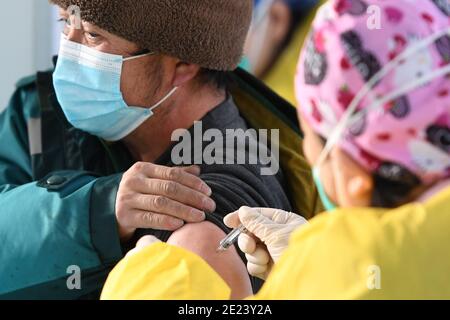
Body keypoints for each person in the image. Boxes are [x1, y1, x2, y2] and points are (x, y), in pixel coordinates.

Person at [100, 0, 450, 300]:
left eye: (311, 137)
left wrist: (146, 278)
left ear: (356, 180)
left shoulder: (344, 272)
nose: (307, 155)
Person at [0, 0, 295, 299]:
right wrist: (95, 213)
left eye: (92, 36)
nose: (67, 55)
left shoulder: (222, 195)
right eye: (65, 22)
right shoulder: (39, 116)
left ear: (183, 62)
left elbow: (202, 258)